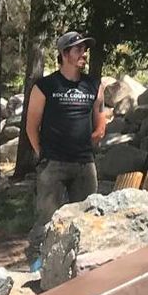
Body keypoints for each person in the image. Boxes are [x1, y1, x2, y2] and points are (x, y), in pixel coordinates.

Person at [26, 31, 107, 240]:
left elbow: (100, 126)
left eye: (85, 49)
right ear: (64, 53)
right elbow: (31, 126)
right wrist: (43, 155)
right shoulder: (45, 86)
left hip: (84, 165)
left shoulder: (94, 86)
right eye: (78, 49)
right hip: (53, 164)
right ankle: (40, 264)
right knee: (48, 220)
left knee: (86, 220)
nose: (84, 54)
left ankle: (81, 266)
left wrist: (87, 145)